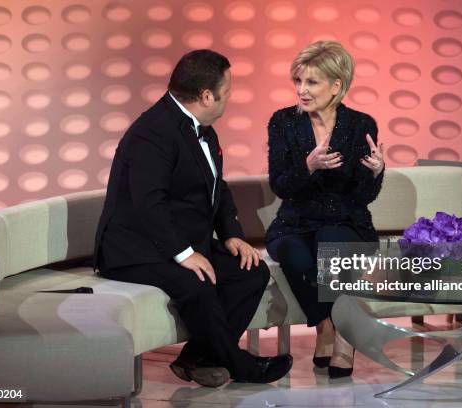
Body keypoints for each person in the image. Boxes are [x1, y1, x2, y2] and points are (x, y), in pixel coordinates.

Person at [94, 49, 292, 387]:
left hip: (179, 241)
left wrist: (231, 234)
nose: (230, 97)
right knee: (198, 284)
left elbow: (217, 185)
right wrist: (185, 254)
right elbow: (149, 203)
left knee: (250, 271)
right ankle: (240, 366)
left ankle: (196, 359)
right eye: (227, 90)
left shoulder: (201, 127)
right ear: (206, 95)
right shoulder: (152, 132)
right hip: (134, 249)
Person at [265, 41, 385, 378]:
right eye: (298, 81)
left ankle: (345, 338)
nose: (302, 91)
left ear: (337, 85)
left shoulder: (361, 124)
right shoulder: (283, 122)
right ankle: (325, 326)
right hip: (295, 222)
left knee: (333, 243)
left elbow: (363, 196)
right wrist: (308, 166)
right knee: (295, 254)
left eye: (312, 82)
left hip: (345, 220)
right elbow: (280, 185)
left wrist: (375, 172)